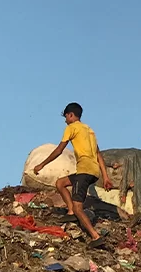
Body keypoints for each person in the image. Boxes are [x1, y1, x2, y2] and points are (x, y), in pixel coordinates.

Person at [33, 102, 113, 248]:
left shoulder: (71, 128)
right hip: (93, 171)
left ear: (70, 115)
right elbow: (98, 154)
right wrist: (105, 177)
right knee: (60, 183)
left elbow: (59, 150)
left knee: (78, 207)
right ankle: (70, 212)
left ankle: (95, 236)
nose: (65, 120)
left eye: (66, 117)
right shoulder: (90, 131)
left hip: (84, 171)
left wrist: (42, 164)